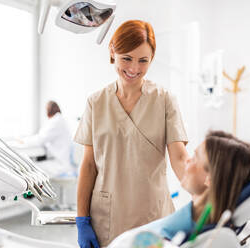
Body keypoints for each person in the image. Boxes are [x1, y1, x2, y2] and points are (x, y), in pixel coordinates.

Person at [74, 20, 189, 247]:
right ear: (113, 52)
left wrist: (204, 194)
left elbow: (179, 157)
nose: (134, 68)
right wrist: (81, 219)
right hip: (107, 217)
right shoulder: (96, 103)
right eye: (127, 58)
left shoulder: (165, 100)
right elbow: (88, 165)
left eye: (143, 61)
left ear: (151, 60)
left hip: (152, 215)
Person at [108, 130, 250, 247]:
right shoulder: (201, 224)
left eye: (195, 157)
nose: (188, 160)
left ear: (210, 179)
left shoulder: (161, 238)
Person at [21, 101, 74, 178]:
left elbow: (40, 139)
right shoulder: (60, 120)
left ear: (49, 110)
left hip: (59, 165)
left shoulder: (56, 121)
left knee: (30, 168)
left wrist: (24, 141)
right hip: (61, 161)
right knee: (33, 166)